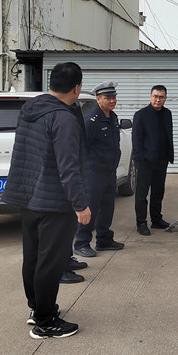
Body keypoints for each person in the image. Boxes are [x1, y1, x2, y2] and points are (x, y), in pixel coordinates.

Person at [1, 62, 91, 340]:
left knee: (33, 258)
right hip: (53, 202)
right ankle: (45, 322)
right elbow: (69, 167)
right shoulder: (63, 118)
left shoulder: (31, 109)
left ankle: (38, 308)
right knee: (51, 263)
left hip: (28, 197)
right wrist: (80, 204)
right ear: (76, 88)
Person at [74, 81, 126, 257]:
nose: (112, 101)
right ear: (98, 99)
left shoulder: (112, 117)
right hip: (94, 173)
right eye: (107, 98)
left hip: (109, 171)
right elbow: (82, 149)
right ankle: (81, 242)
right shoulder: (91, 121)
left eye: (114, 97)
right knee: (91, 209)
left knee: (107, 208)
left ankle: (104, 240)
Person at [132, 85, 174, 236]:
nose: (158, 100)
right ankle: (141, 223)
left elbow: (168, 135)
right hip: (145, 161)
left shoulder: (167, 114)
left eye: (161, 97)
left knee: (158, 192)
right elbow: (136, 139)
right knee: (142, 194)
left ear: (165, 98)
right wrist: (140, 158)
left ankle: (156, 219)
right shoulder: (141, 115)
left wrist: (169, 155)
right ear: (150, 96)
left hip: (162, 160)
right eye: (155, 96)